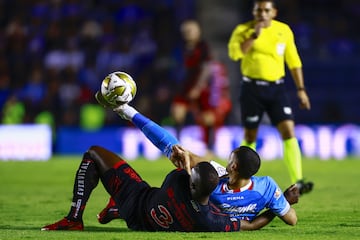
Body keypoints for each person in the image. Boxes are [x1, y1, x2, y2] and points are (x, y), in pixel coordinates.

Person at [41, 97, 286, 232]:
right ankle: (116, 210)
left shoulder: (179, 180)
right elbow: (251, 225)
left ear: (232, 167)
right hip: (146, 222)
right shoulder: (213, 219)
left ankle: (75, 218)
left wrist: (128, 112)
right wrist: (279, 206)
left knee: (94, 153)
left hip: (138, 200)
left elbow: (167, 143)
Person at [227, 0, 313, 194]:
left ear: (273, 12)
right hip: (251, 89)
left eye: (266, 10)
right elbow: (235, 54)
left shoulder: (283, 30)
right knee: (250, 135)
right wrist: (254, 36)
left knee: (288, 130)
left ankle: (298, 181)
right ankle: (241, 178)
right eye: (259, 10)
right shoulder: (243, 30)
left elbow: (293, 61)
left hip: (276, 89)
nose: (262, 14)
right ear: (254, 12)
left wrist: (301, 89)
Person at [171, 19, 231, 156]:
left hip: (201, 87)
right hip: (184, 86)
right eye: (185, 31)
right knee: (177, 112)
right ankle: (176, 147)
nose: (187, 33)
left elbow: (207, 68)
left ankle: (210, 147)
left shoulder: (203, 47)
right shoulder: (181, 47)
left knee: (208, 118)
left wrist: (198, 87)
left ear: (198, 32)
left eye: (190, 31)